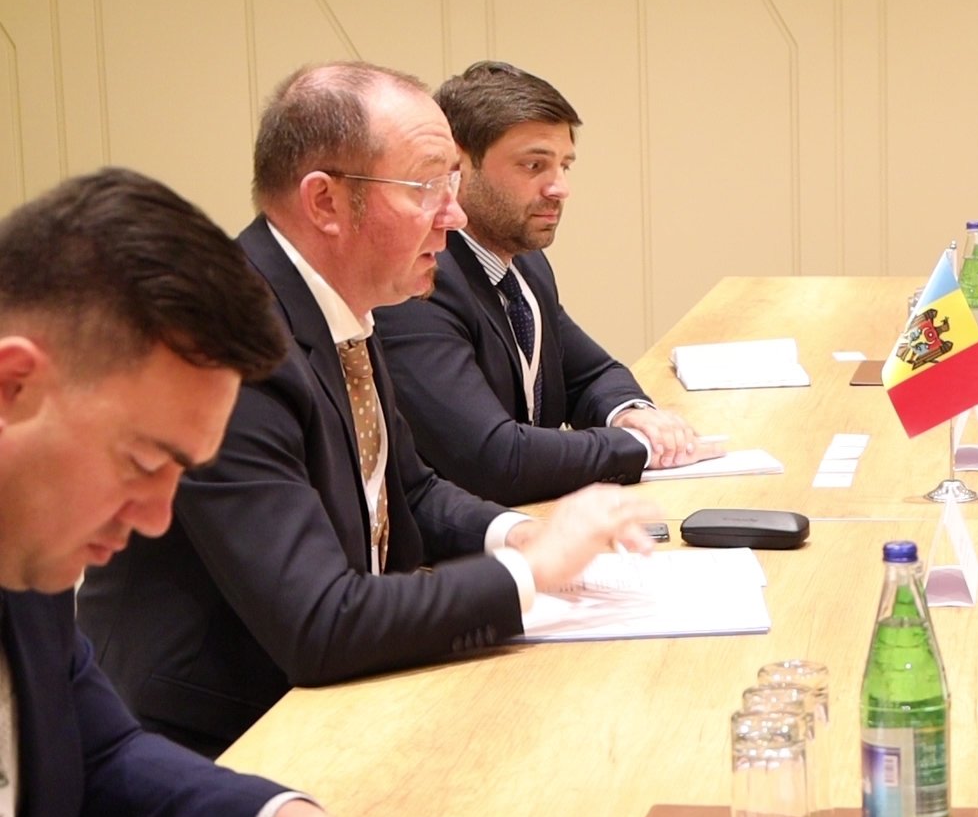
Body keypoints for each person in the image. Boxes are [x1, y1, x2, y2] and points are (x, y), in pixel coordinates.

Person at [78, 62, 658, 756]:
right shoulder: (229, 343)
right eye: (426, 187)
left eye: (452, 183)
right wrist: (529, 575)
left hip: (323, 701)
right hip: (211, 741)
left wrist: (521, 536)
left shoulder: (343, 301)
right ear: (325, 201)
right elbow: (320, 621)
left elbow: (408, 490)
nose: (454, 214)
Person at [0, 167, 473, 817]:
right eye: (142, 462)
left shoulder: (28, 549)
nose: (157, 518)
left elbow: (99, 759)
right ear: (14, 386)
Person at [377, 61, 701, 505]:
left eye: (564, 166)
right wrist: (638, 447)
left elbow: (590, 374)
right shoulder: (421, 279)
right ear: (457, 166)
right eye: (534, 165)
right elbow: (493, 459)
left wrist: (631, 414)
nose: (559, 188)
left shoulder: (526, 266)